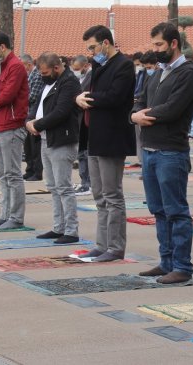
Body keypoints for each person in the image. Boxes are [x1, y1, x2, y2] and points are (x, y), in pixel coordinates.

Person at [132, 22, 193, 284]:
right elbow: (139, 100)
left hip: (171, 152)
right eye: (153, 45)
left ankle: (182, 267)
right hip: (149, 150)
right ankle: (166, 261)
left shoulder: (188, 74)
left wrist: (143, 115)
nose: (155, 50)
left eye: (159, 45)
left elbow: (173, 109)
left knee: (176, 211)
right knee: (158, 210)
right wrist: (135, 115)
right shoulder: (156, 74)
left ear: (174, 43)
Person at [76, 25, 136, 262]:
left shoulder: (123, 65)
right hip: (95, 136)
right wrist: (80, 97)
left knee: (112, 195)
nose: (91, 52)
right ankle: (101, 245)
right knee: (99, 195)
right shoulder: (98, 66)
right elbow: (86, 92)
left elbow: (115, 96)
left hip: (112, 137)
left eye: (93, 47)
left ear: (106, 43)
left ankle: (115, 246)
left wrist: (86, 99)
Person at [27, 52, 82, 244]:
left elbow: (61, 111)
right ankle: (58, 227)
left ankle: (71, 230)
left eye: (45, 72)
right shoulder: (49, 82)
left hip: (62, 140)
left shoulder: (69, 82)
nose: (42, 75)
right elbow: (39, 104)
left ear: (57, 68)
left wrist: (37, 124)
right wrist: (30, 120)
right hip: (46, 139)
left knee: (64, 186)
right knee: (52, 186)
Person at [0, 31, 30, 229]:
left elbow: (7, 96)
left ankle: (16, 217)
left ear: (2, 47)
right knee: (2, 173)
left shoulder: (16, 66)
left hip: (12, 123)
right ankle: (6, 213)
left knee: (12, 173)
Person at [21, 54, 44, 181]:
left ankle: (37, 172)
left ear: (29, 64)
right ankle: (29, 170)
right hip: (27, 114)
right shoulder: (29, 75)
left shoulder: (37, 76)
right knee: (27, 146)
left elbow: (32, 97)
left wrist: (19, 98)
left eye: (22, 66)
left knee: (35, 147)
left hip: (34, 115)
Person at [72, 55, 92, 196]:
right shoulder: (81, 77)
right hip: (80, 120)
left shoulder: (91, 76)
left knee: (85, 154)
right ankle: (84, 181)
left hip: (86, 120)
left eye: (78, 69)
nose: (76, 72)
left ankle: (88, 183)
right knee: (82, 154)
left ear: (85, 65)